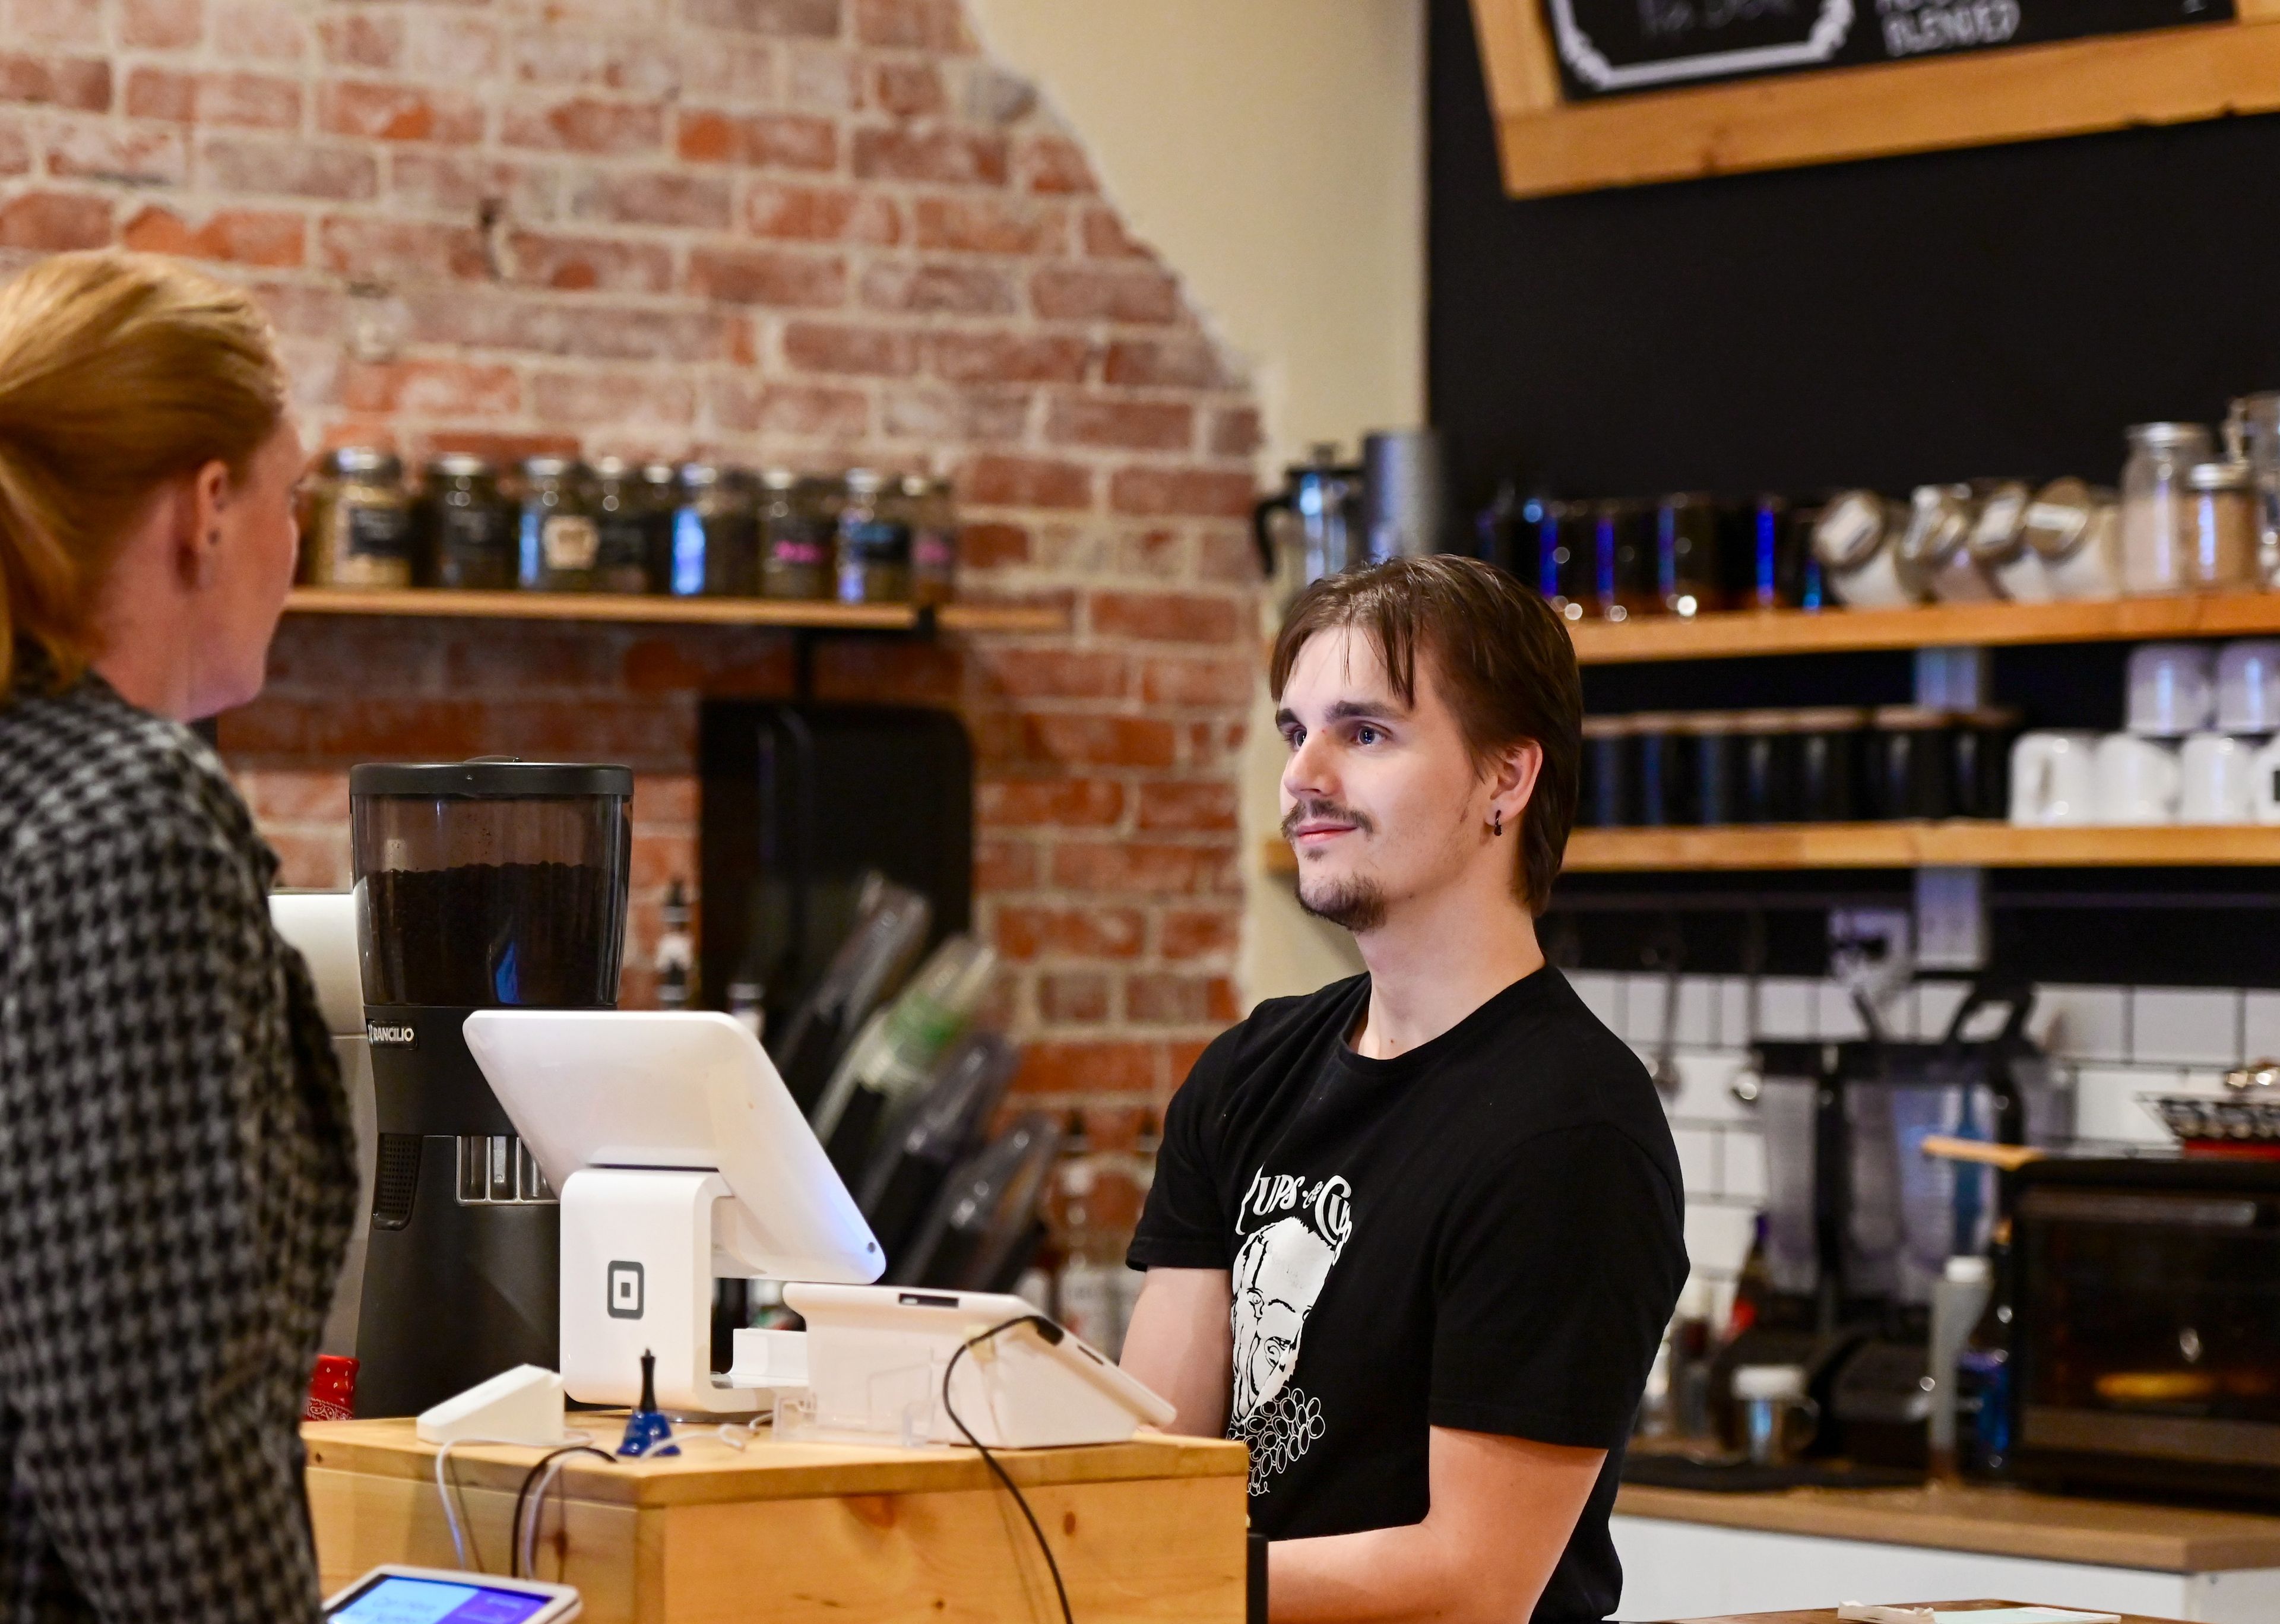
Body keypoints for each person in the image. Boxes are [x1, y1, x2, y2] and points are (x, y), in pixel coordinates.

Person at [1121, 555, 1687, 1624]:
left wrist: (1132, 1581)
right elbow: (1155, 1461)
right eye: (1295, 733)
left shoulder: (1570, 1131)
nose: (1303, 775)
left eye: (1364, 733)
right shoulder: (1249, 1071)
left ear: (1505, 780)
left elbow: (1469, 1583)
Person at [0, 251, 354, 1620]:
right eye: (294, 496)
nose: (295, 546)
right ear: (208, 510)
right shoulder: (132, 814)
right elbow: (137, 1406)